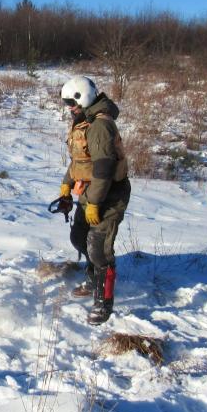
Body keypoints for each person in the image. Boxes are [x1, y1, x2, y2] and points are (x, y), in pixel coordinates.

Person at [56, 76, 131, 325]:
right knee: (79, 237)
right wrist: (67, 184)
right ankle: (93, 277)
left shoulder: (100, 125)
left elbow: (104, 168)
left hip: (109, 194)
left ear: (83, 98)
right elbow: (81, 162)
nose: (69, 107)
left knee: (98, 248)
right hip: (91, 191)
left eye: (71, 102)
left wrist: (96, 202)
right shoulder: (84, 122)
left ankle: (103, 302)